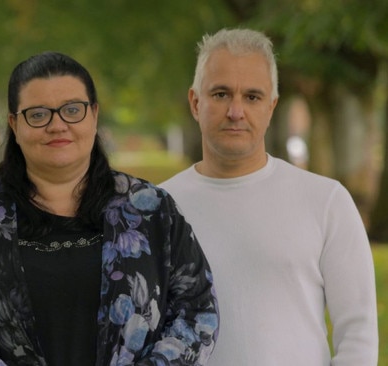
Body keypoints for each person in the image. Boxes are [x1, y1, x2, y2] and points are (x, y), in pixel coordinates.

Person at [0, 51, 219, 365]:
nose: (58, 125)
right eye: (38, 114)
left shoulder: (151, 211)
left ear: (94, 115)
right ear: (14, 124)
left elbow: (198, 311)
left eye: (72, 110)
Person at [159, 28, 378, 365]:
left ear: (272, 106)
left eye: (252, 97)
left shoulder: (325, 201)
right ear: (195, 102)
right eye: (220, 94)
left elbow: (359, 335)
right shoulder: (160, 209)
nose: (236, 111)